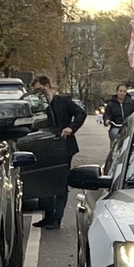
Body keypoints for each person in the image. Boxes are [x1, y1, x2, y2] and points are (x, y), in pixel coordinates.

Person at [40, 75, 86, 227]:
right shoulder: (40, 105)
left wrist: (71, 128)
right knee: (45, 182)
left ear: (47, 86)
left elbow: (81, 113)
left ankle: (57, 218)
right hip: (45, 147)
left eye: (40, 89)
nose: (38, 94)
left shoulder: (63, 102)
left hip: (63, 146)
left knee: (60, 182)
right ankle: (48, 215)